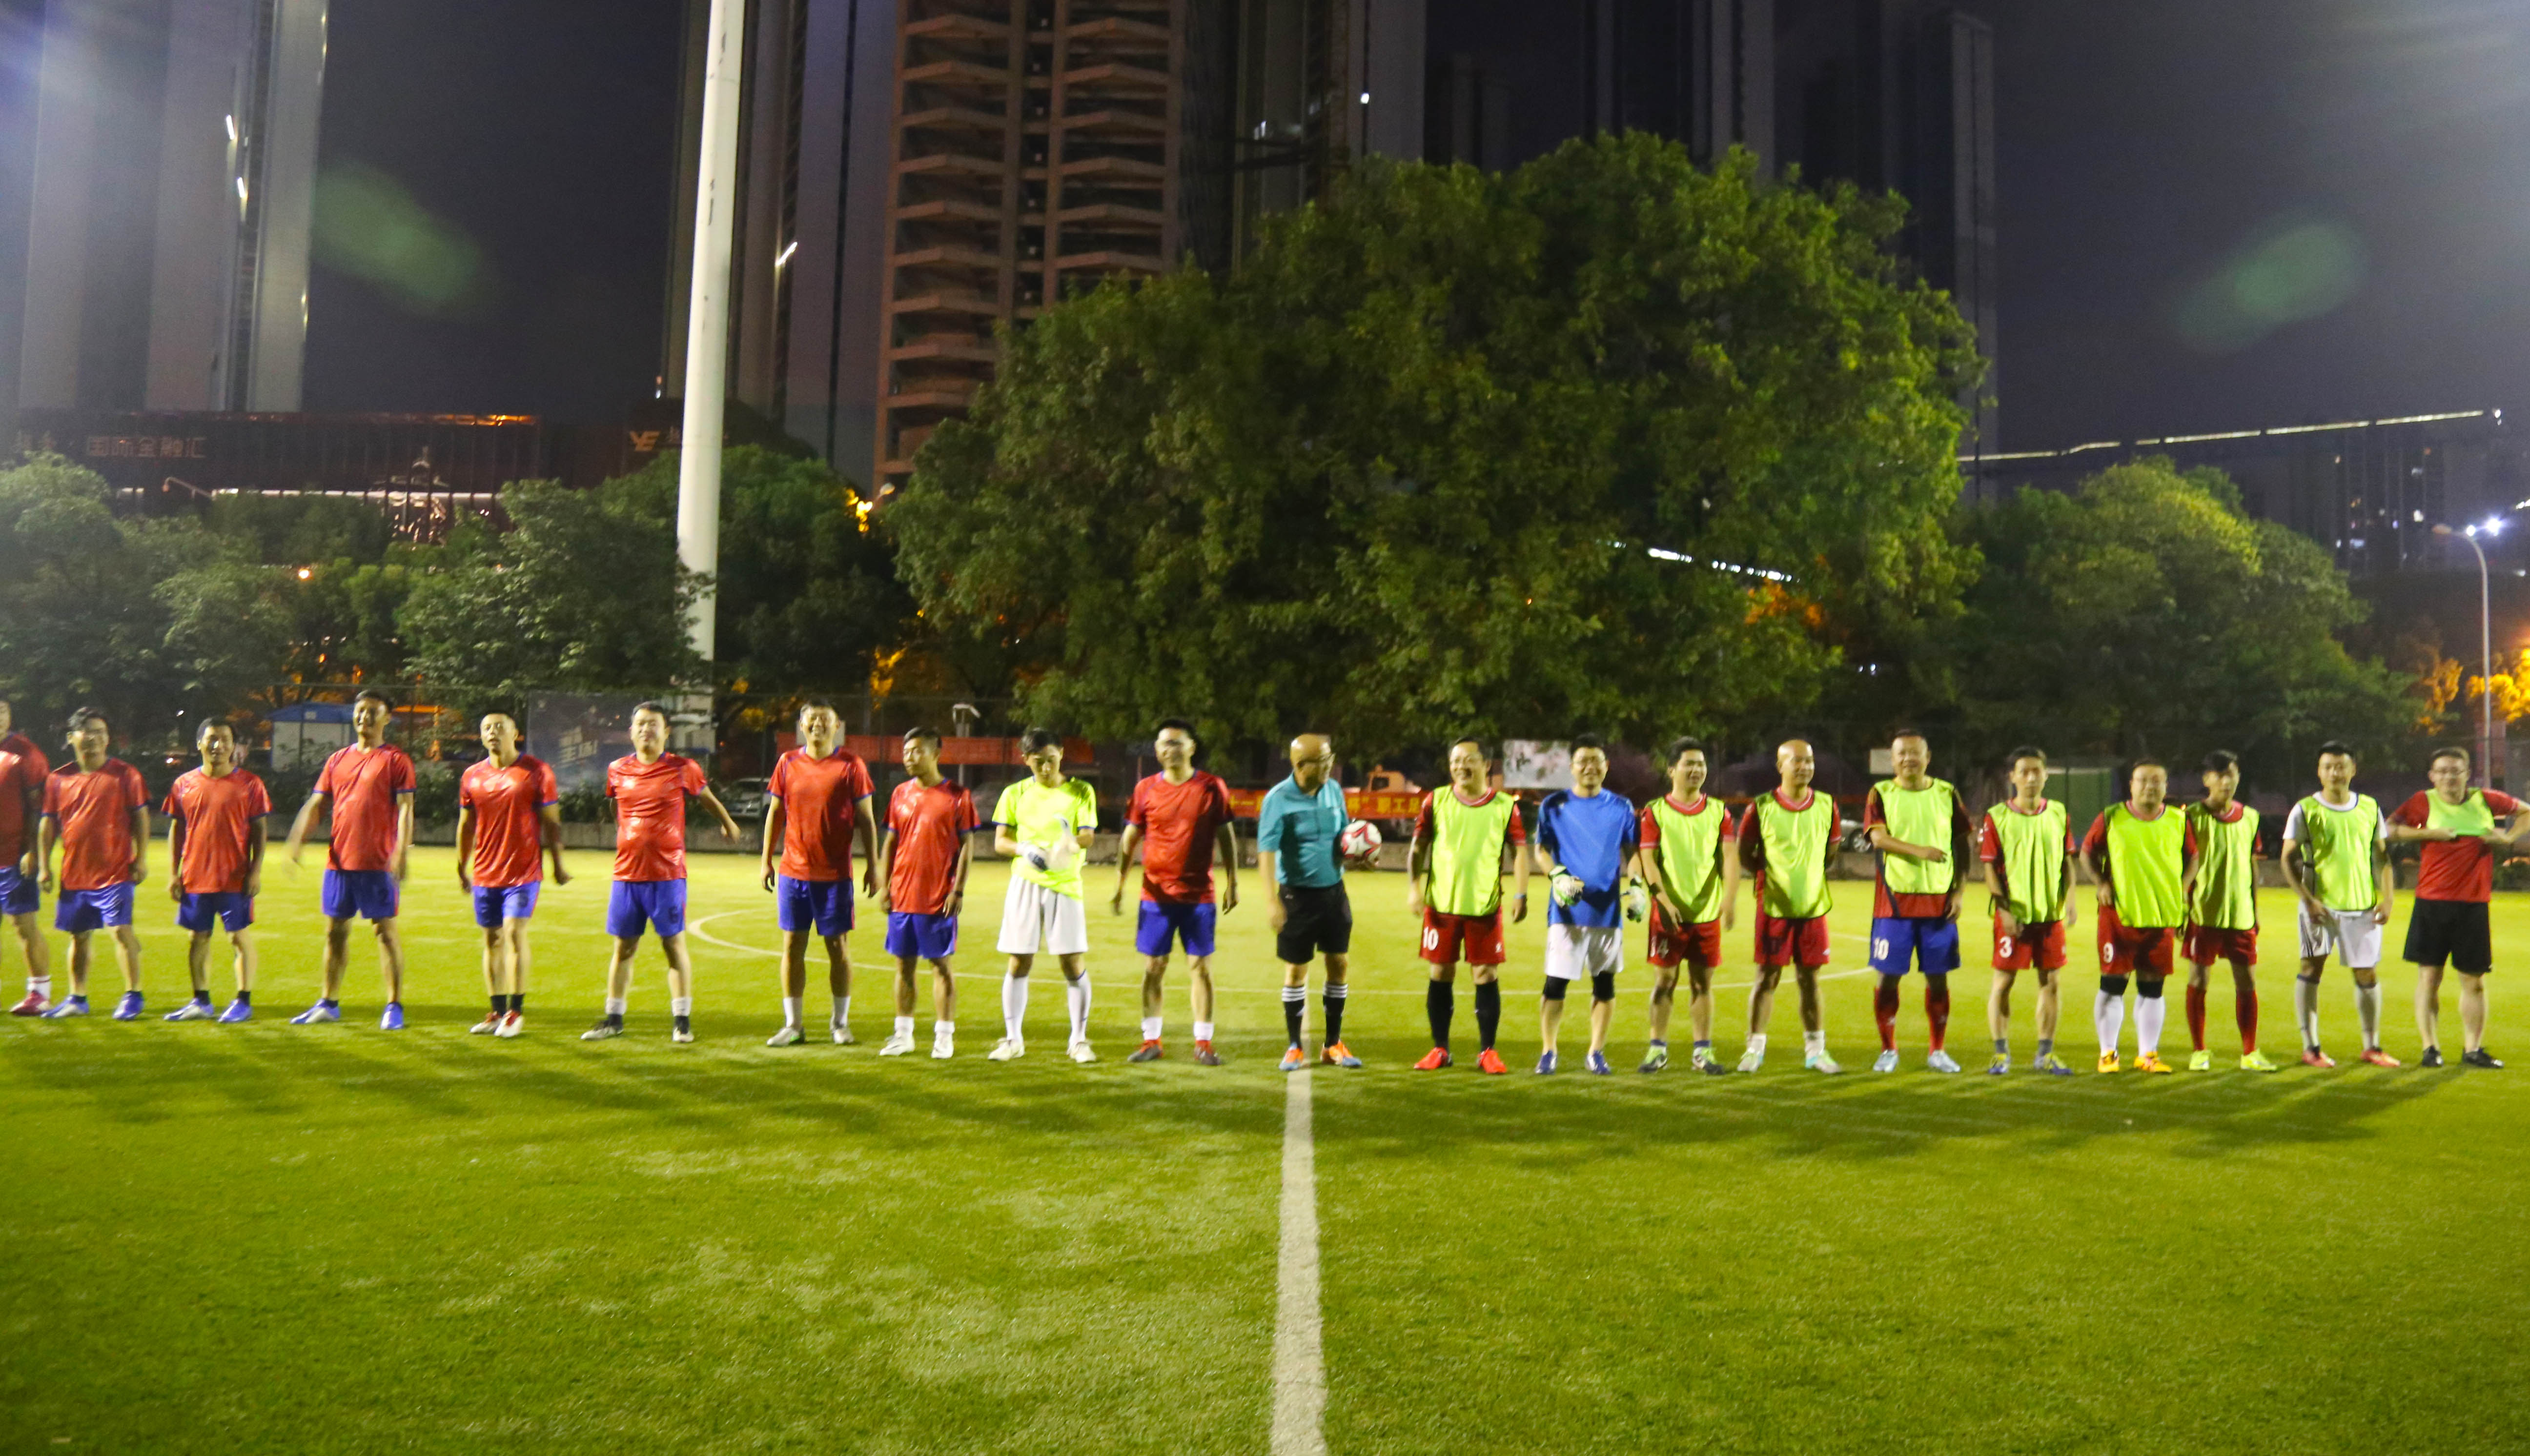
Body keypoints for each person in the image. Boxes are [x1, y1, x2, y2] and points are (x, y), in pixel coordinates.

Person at [583, 701, 742, 1043]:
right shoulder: (617, 769)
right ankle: (613, 1019)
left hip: (667, 874)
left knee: (673, 945)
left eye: (653, 724)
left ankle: (682, 1021)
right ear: (631, 731)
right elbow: (616, 805)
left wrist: (728, 823)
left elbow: (706, 798)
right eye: (640, 724)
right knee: (624, 948)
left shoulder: (683, 768)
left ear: (666, 731)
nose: (646, 729)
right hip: (627, 874)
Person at [282, 689, 416, 1029]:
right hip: (339, 862)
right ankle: (328, 1003)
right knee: (335, 932)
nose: (365, 717)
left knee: (385, 932)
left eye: (373, 711)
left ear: (387, 718)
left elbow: (406, 809)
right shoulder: (337, 760)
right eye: (360, 711)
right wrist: (297, 840)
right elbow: (317, 804)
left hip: (378, 862)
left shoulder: (396, 760)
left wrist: (401, 850)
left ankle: (394, 1006)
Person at [1109, 719, 1238, 1064]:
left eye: (1178, 743)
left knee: (1201, 968)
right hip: (1156, 897)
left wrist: (1233, 882)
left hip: (1199, 896)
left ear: (1192, 747)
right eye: (1165, 743)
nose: (1171, 749)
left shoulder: (1212, 787)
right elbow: (1130, 839)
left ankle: (1204, 1043)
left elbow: (1226, 836)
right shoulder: (1145, 789)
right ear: (1157, 750)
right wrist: (1120, 884)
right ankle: (1151, 1040)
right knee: (1154, 967)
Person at [2388, 746, 2521, 1069]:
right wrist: (2430, 833)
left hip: (2473, 905)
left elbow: (2526, 812)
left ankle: (2473, 1049)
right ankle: (2430, 1048)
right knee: (2429, 978)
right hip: (2431, 903)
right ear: (2432, 776)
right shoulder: (2422, 802)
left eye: (2456, 771)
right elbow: (2388, 829)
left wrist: (2507, 838)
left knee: (2474, 982)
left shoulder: (2485, 800)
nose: (2449, 777)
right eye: (2443, 771)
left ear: (2467, 774)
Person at [759, 699, 878, 1048]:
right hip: (793, 872)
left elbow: (866, 820)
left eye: (825, 720)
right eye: (811, 719)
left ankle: (840, 1024)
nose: (818, 725)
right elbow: (775, 814)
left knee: (837, 948)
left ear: (837, 726)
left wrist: (873, 866)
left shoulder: (851, 765)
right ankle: (793, 1025)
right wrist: (766, 860)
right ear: (801, 725)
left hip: (835, 875)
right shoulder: (787, 763)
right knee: (792, 946)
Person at [1405, 735, 1528, 1074]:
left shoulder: (1505, 806)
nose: (1461, 766)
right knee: (1440, 972)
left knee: (1485, 974)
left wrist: (1521, 893)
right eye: (1455, 761)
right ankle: (1440, 1049)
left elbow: (1519, 852)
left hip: (1485, 906)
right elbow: (1418, 847)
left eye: (1468, 760)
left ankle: (1488, 1051)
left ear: (1486, 765)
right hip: (1441, 906)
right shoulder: (1436, 800)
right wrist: (1413, 888)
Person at [2278, 741, 2397, 1069]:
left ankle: (2372, 1046)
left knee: (2367, 973)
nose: (2335, 773)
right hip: (2320, 907)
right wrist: (2308, 900)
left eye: (2341, 766)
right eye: (2328, 767)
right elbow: (2287, 859)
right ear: (2319, 772)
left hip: (2362, 906)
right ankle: (2311, 1047)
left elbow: (2382, 857)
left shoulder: (2370, 807)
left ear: (2353, 769)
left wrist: (2388, 898)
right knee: (2311, 969)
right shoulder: (2305, 809)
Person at [1864, 729, 1974, 1074]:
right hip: (1894, 905)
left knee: (1939, 979)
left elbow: (1963, 845)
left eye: (1915, 753)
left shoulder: (1946, 793)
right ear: (1892, 759)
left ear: (1928, 757)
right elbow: (1878, 839)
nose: (1909, 759)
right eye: (1902, 754)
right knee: (1888, 978)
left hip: (1939, 905)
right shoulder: (1881, 793)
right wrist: (1921, 851)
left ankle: (1937, 1051)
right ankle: (1888, 1050)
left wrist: (1959, 892)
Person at [989, 728, 1101, 1063]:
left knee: (1072, 961)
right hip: (1025, 884)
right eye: (1039, 762)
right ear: (1026, 760)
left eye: (1052, 760)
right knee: (1019, 960)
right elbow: (1000, 842)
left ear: (1062, 754)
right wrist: (1024, 849)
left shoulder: (1081, 791)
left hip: (1065, 886)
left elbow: (1087, 836)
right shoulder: (1015, 793)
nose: (1047, 768)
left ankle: (1079, 1041)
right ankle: (1013, 1040)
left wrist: (1067, 844)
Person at [1259, 732, 1369, 1072]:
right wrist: (1272, 900)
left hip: (1334, 892)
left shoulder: (1334, 790)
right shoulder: (1278, 799)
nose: (1329, 767)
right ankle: (1294, 1046)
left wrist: (1358, 856)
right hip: (1296, 897)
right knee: (1296, 970)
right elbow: (1267, 851)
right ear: (1299, 764)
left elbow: (1343, 838)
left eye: (1330, 760)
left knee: (1339, 963)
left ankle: (1333, 1044)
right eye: (1322, 762)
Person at [2082, 759, 2200, 1074]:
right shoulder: (2112, 817)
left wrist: (2182, 890)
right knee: (2113, 984)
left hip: (2161, 916)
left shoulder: (2178, 819)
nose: (2150, 786)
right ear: (2131, 785)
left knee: (2153, 987)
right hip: (2119, 916)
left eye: (2157, 781)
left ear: (2166, 787)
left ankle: (2148, 1054)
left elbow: (2193, 858)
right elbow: (2087, 853)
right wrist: (2101, 882)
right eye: (2143, 780)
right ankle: (2108, 1053)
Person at [1532, 734, 1639, 1075]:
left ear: (1606, 766)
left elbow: (1634, 853)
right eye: (1583, 761)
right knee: (1555, 985)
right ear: (1572, 767)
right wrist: (1557, 876)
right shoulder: (1554, 805)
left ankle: (1596, 1052)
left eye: (1597, 761)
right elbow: (1541, 850)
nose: (1590, 767)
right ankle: (1549, 1051)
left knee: (1604, 985)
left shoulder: (1621, 807)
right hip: (1566, 913)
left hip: (1607, 912)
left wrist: (1637, 886)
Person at [456, 712, 568, 1038]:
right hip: (485, 872)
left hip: (523, 873)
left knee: (514, 932)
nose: (493, 733)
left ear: (515, 733)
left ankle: (515, 1012)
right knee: (491, 939)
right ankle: (496, 1011)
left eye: (500, 728)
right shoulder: (472, 776)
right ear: (481, 736)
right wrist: (461, 865)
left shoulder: (536, 771)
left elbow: (551, 823)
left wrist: (558, 864)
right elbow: (466, 825)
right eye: (487, 728)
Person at [36, 708, 149, 1019]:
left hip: (115, 871)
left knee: (120, 931)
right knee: (79, 936)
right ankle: (77, 998)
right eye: (88, 731)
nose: (95, 738)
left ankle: (133, 995)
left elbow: (140, 817)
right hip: (75, 873)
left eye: (101, 732)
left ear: (108, 739)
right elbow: (48, 824)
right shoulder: (58, 779)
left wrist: (141, 858)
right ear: (72, 737)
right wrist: (44, 867)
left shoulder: (126, 775)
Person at [1738, 739, 1843, 1073]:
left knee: (1810, 980)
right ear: (1780, 766)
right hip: (1774, 906)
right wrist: (1771, 878)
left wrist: (1807, 878)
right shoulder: (1761, 807)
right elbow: (1745, 853)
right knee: (1767, 977)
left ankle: (1816, 1051)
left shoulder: (1827, 805)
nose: (1804, 767)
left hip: (1813, 906)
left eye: (1809, 761)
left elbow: (1830, 854)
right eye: (1796, 761)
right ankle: (1754, 1050)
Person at [1637, 736, 1736, 1075]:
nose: (1696, 770)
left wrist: (1729, 899)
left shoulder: (1719, 811)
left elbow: (1729, 857)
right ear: (1672, 770)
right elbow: (1647, 860)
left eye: (1701, 764)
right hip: (1668, 913)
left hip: (1706, 914)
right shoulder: (1656, 812)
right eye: (1689, 764)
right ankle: (1657, 1049)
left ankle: (1702, 1052)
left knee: (1702, 984)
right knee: (1664, 981)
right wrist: (1662, 900)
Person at [879, 727, 978, 1059]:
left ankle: (944, 1037)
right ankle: (903, 1035)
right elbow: (890, 843)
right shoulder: (900, 794)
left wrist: (957, 890)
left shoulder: (957, 796)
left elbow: (967, 846)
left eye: (917, 751)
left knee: (940, 966)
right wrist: (884, 886)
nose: (909, 757)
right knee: (903, 966)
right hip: (902, 896)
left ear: (936, 754)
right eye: (906, 751)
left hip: (937, 898)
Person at [162, 720, 270, 1023]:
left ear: (233, 746)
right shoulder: (184, 784)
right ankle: (201, 1001)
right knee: (197, 938)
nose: (218, 746)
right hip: (196, 876)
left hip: (234, 877)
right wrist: (173, 873)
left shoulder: (250, 784)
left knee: (238, 937)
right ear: (199, 744)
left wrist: (255, 872)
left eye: (224, 739)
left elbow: (260, 831)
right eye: (211, 739)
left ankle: (243, 1001)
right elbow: (177, 830)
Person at [1978, 746, 2076, 1075]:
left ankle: (2045, 1055)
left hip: (2050, 916)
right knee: (2003, 982)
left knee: (2051, 983)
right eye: (2025, 772)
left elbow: (2067, 861)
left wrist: (2071, 900)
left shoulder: (2059, 813)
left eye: (2037, 771)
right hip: (2015, 915)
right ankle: (2001, 1054)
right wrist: (2003, 911)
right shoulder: (1997, 816)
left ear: (2046, 775)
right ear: (2013, 777)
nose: (2032, 777)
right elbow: (1990, 867)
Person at [2182, 750, 2279, 1071]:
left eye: (2231, 774)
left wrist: (2255, 908)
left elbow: (2251, 863)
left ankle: (2250, 1052)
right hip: (2203, 912)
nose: (2226, 781)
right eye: (2219, 775)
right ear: (2207, 780)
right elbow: (2184, 862)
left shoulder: (2250, 817)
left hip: (2241, 914)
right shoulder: (2191, 817)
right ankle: (2199, 1051)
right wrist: (2182, 905)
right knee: (2199, 979)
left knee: (2247, 982)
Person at [0, 698, 54, 1015]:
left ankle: (39, 993)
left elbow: (40, 809)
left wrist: (33, 851)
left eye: (2, 711)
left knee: (24, 924)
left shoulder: (26, 754)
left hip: (13, 855)